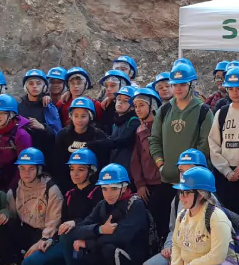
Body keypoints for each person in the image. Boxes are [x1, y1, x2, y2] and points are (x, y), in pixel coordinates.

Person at [67, 164, 154, 265]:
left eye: (114, 188)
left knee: (110, 248)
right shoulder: (102, 204)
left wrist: (89, 243)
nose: (109, 193)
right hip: (106, 250)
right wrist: (100, 229)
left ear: (124, 187)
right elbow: (78, 230)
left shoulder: (135, 204)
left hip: (133, 255)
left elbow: (122, 236)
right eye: (104, 189)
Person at [0, 147, 65, 265]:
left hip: (45, 235)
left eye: (31, 169)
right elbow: (12, 218)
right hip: (26, 230)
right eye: (22, 168)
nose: (26, 173)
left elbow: (54, 221)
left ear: (39, 169)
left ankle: (34, 262)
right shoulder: (15, 190)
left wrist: (43, 240)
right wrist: (3, 214)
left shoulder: (51, 189)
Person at [141, 149, 214, 265]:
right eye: (181, 171)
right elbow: (173, 229)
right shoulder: (177, 198)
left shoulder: (210, 199)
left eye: (189, 170)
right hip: (180, 249)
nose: (184, 175)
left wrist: (183, 258)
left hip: (202, 254)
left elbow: (213, 245)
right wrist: (169, 247)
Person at [40, 149, 104, 265]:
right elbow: (63, 222)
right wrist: (50, 239)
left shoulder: (98, 192)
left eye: (80, 170)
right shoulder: (69, 195)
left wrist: (75, 222)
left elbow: (97, 219)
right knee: (30, 264)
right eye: (72, 169)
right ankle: (71, 264)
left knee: (68, 234)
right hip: (68, 240)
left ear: (91, 171)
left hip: (89, 237)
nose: (75, 174)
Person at [148, 60, 214, 189]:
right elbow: (154, 140)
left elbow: (205, 144)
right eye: (175, 84)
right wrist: (161, 165)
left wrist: (190, 169)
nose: (178, 88)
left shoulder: (203, 111)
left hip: (194, 181)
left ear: (191, 85)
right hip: (168, 179)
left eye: (183, 84)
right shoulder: (164, 110)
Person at [207, 65, 239, 216]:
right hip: (225, 175)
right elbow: (213, 144)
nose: (235, 92)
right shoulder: (222, 113)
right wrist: (226, 171)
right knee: (226, 217)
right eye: (231, 88)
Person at [129, 87, 171, 238]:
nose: (137, 109)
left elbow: (154, 152)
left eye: (141, 105)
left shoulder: (162, 126)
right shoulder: (140, 129)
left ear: (152, 106)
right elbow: (136, 158)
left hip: (163, 182)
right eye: (135, 106)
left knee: (163, 219)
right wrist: (140, 183)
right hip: (147, 184)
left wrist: (144, 134)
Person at [0, 93, 34, 191]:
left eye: (1, 113)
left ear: (11, 115)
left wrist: (12, 189)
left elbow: (24, 164)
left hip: (17, 181)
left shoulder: (21, 135)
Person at [50, 97, 109, 183]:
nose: (79, 120)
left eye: (83, 116)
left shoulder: (99, 136)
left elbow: (103, 161)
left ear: (90, 117)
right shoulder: (62, 135)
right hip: (67, 181)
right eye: (76, 116)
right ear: (71, 116)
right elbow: (58, 162)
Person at [91, 85, 139, 171]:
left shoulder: (134, 121)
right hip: (115, 165)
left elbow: (121, 141)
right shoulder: (116, 122)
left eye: (125, 101)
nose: (120, 102)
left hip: (128, 169)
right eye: (119, 99)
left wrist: (97, 144)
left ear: (132, 106)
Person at [18, 68, 62, 154]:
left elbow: (58, 134)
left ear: (44, 86)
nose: (34, 86)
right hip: (23, 153)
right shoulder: (19, 106)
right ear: (26, 87)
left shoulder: (49, 106)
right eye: (31, 83)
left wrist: (43, 127)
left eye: (38, 83)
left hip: (46, 153)